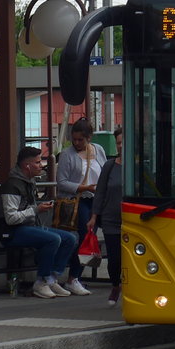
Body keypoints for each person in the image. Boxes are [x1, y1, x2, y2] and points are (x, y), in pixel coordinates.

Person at [0, 146, 78, 300]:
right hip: (11, 231)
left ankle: (51, 278)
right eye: (37, 162)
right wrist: (36, 210)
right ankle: (41, 281)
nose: (41, 165)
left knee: (70, 238)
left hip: (29, 228)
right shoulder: (12, 185)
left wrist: (39, 209)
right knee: (53, 239)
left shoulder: (29, 182)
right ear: (27, 166)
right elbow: (10, 218)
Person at [55, 117, 107, 295]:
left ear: (89, 138)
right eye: (74, 139)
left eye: (80, 140)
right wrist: (84, 187)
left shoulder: (98, 150)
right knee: (85, 235)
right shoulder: (67, 155)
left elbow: (104, 172)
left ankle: (75, 277)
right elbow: (61, 182)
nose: (76, 143)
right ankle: (73, 278)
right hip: (78, 200)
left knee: (90, 237)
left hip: (97, 199)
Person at [90, 126, 124, 307]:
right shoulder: (109, 166)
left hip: (132, 220)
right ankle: (115, 285)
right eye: (118, 143)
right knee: (114, 258)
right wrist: (94, 216)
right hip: (111, 219)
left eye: (124, 142)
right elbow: (100, 192)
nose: (121, 146)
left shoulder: (139, 166)